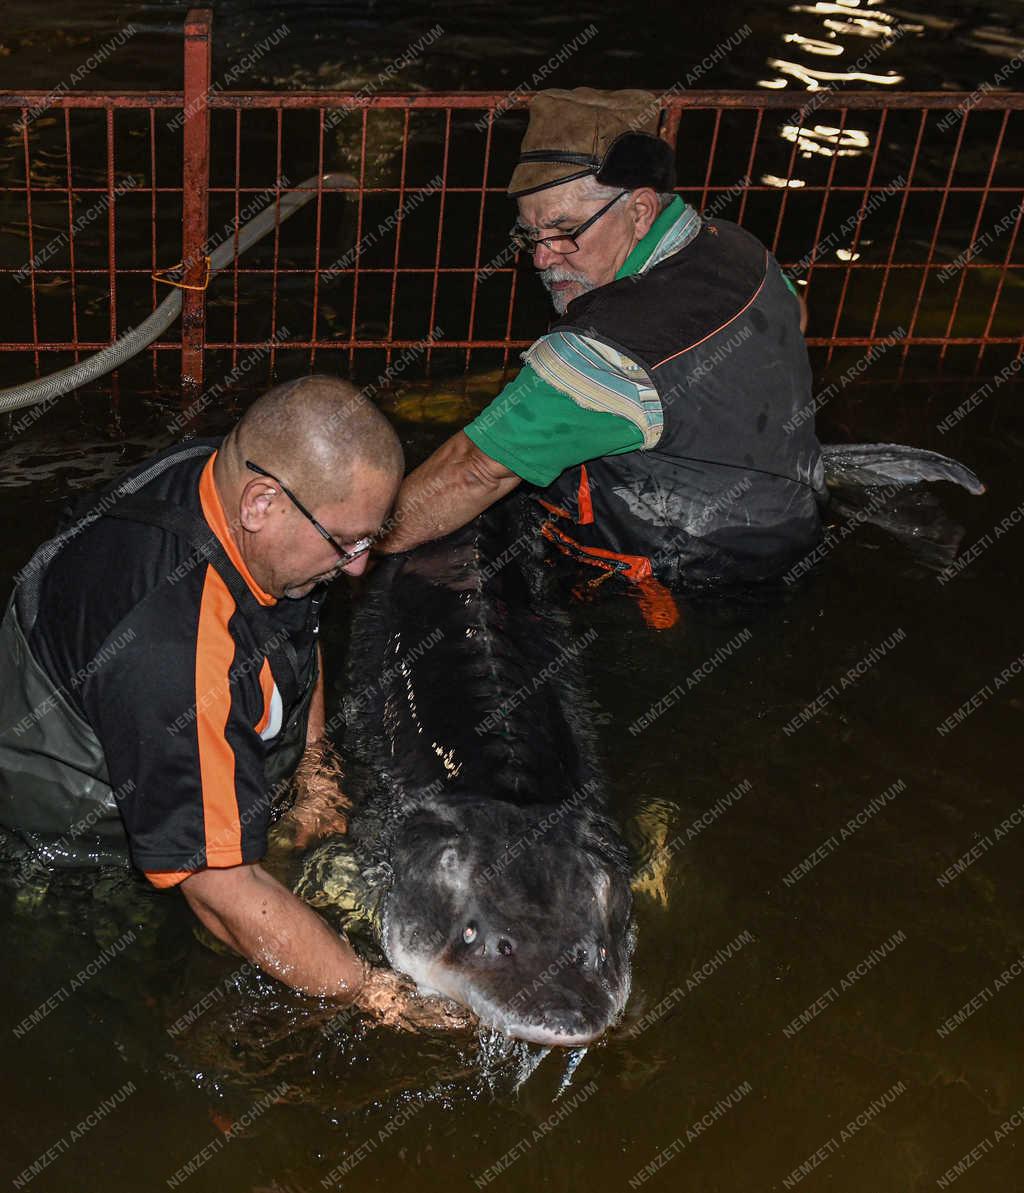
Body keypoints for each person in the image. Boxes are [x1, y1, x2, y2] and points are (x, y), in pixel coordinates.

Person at [0, 375, 450, 1024]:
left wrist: (316, 771)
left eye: (367, 540)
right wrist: (380, 997)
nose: (358, 567)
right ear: (261, 503)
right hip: (74, 823)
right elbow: (221, 891)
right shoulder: (169, 645)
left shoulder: (244, 489)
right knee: (123, 994)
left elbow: (302, 621)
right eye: (346, 544)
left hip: (151, 697)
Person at [378, 88, 826, 616]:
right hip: (796, 521)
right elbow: (796, 317)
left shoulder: (602, 349)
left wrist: (357, 545)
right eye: (531, 235)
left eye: (566, 232)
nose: (543, 258)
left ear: (639, 211)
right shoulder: (739, 246)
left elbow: (476, 471)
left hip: (680, 574)